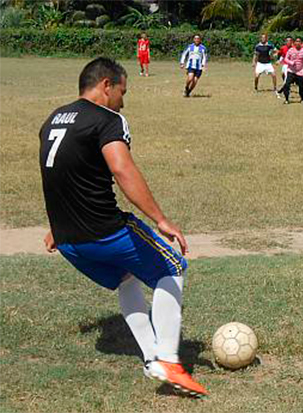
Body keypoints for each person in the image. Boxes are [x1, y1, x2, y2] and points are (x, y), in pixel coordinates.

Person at [38, 57, 208, 397]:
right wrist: (161, 219)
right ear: (106, 85)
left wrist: (58, 224)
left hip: (70, 242)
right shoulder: (107, 119)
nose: (123, 100)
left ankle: (151, 360)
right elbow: (122, 169)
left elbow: (58, 171)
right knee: (172, 268)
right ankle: (170, 361)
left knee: (125, 278)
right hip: (105, 231)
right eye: (122, 92)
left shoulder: (53, 118)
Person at [282, 37, 303, 104]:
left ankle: (302, 99)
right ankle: (286, 99)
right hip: (291, 71)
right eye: (296, 41)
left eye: (299, 41)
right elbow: (286, 59)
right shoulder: (291, 50)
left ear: (301, 43)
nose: (297, 43)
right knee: (287, 85)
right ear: (294, 42)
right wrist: (291, 62)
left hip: (300, 72)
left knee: (301, 86)